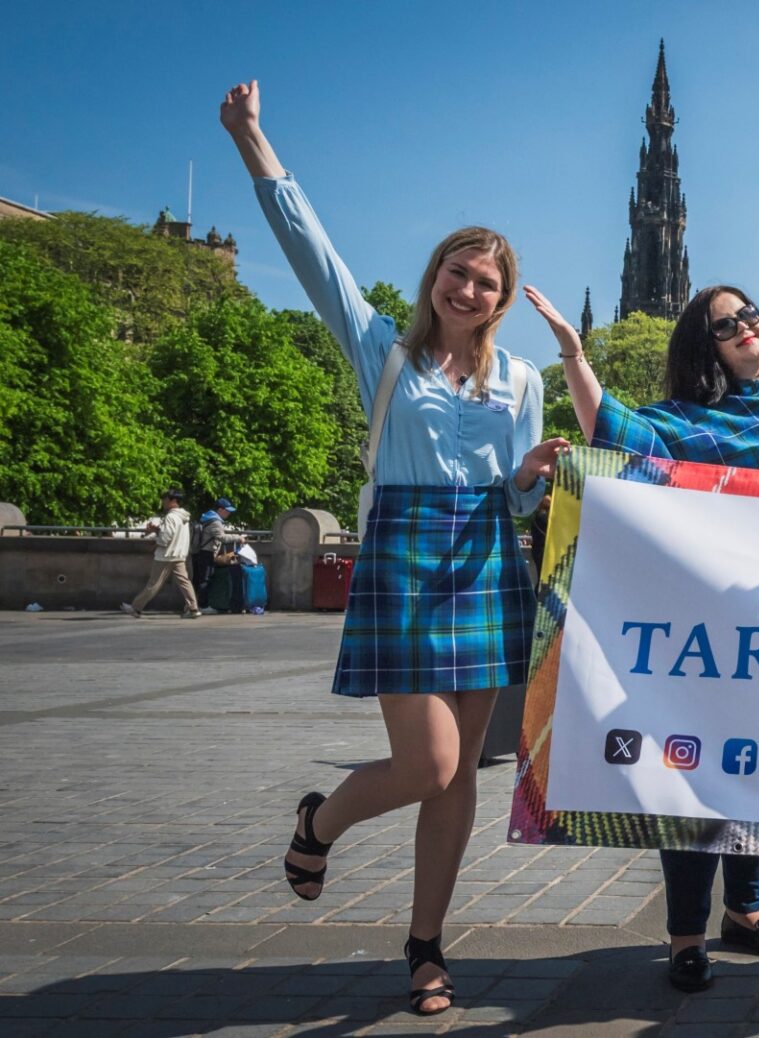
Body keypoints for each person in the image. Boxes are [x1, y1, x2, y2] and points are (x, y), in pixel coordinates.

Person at [224, 81, 568, 1017]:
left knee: (458, 783)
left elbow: (519, 493)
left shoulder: (523, 379)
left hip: (489, 556)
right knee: (432, 765)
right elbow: (313, 254)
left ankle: (425, 947)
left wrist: (532, 471)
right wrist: (257, 143)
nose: (468, 288)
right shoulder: (384, 350)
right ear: (433, 280)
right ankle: (318, 821)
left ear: (501, 299)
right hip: (407, 555)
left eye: (486, 281)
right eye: (456, 272)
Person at [532, 280, 759, 994]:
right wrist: (573, 352)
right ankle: (687, 934)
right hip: (710, 630)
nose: (746, 328)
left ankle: (745, 913)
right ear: (705, 347)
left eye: (750, 316)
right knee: (694, 775)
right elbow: (617, 441)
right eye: (726, 325)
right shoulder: (689, 418)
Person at [120, 488, 201, 619]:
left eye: (165, 499)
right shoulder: (184, 516)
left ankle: (136, 608)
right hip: (179, 554)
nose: (163, 501)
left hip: (166, 555)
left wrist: (155, 543)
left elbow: (166, 538)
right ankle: (193, 608)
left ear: (173, 501)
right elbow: (172, 534)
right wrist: (158, 530)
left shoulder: (170, 517)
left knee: (154, 584)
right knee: (185, 582)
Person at [193, 497, 244, 602]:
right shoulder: (215, 522)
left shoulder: (206, 518)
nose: (229, 513)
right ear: (220, 509)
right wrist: (239, 538)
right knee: (205, 580)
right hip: (206, 553)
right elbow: (223, 538)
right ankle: (203, 606)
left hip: (198, 552)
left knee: (198, 579)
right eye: (227, 511)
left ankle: (193, 604)